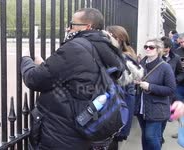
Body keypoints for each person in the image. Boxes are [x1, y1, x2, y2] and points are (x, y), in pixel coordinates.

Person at [21, 8, 127, 150]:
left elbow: (34, 79)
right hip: (87, 130)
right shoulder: (107, 47)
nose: (68, 28)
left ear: (87, 27)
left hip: (61, 134)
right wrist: (45, 65)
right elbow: (80, 74)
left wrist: (26, 60)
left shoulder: (75, 47)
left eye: (72, 24)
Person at [105, 25, 144, 150]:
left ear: (118, 39)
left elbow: (128, 94)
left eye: (108, 36)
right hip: (116, 112)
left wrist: (124, 124)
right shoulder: (123, 55)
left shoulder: (123, 59)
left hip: (114, 113)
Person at [134, 38, 176, 150]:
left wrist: (150, 87)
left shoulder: (165, 67)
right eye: (146, 47)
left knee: (151, 137)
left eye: (151, 47)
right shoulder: (141, 64)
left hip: (157, 108)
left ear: (158, 50)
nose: (148, 49)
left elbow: (171, 89)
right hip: (141, 107)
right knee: (145, 136)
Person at [160, 36, 184, 140]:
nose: (182, 43)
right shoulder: (178, 53)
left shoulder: (175, 57)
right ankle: (159, 135)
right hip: (163, 89)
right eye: (181, 41)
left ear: (169, 47)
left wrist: (175, 80)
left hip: (173, 88)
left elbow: (180, 73)